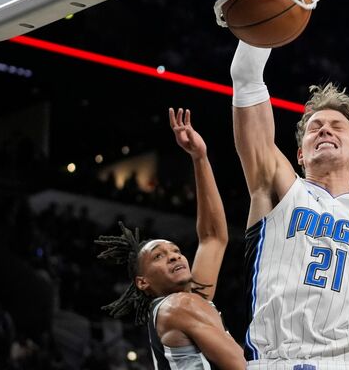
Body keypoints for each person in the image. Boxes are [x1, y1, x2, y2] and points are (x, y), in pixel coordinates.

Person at [228, 40, 349, 369]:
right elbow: (245, 75)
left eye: (336, 126)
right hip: (277, 361)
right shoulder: (279, 188)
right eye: (314, 128)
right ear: (300, 154)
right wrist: (258, 22)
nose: (324, 128)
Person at [95, 108, 246, 370]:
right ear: (142, 282)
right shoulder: (178, 305)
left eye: (175, 250)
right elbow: (240, 364)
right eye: (159, 256)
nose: (174, 256)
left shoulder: (190, 301)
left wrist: (199, 158)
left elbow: (212, 237)